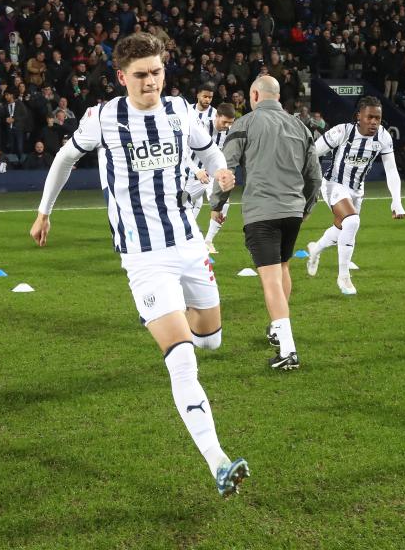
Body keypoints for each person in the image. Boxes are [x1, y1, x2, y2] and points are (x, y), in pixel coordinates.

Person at [29, 31, 249, 497]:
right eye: (141, 75)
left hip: (189, 246)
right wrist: (45, 210)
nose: (151, 82)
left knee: (210, 341)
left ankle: (161, 314)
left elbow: (208, 149)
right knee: (184, 358)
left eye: (157, 72)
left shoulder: (181, 110)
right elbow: (67, 157)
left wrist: (219, 175)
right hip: (144, 257)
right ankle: (219, 461)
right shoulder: (104, 117)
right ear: (121, 77)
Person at [211, 76, 322, 370]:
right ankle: (277, 328)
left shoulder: (245, 124)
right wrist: (305, 208)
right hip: (293, 212)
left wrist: (217, 205)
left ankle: (288, 350)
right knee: (283, 266)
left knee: (270, 276)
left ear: (256, 95)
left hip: (263, 212)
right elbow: (315, 177)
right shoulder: (300, 126)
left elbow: (226, 168)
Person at [304, 96, 405, 296]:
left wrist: (397, 201)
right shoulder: (343, 131)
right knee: (352, 222)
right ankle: (343, 277)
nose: (374, 122)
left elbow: (392, 170)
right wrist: (307, 183)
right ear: (359, 116)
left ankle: (315, 249)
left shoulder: (383, 137)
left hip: (357, 191)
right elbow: (313, 153)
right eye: (370, 117)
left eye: (378, 118)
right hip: (333, 184)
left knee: (341, 229)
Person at [182, 102, 235, 252]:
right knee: (182, 208)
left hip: (213, 175)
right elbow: (184, 152)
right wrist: (196, 170)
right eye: (225, 121)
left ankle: (208, 241)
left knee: (223, 203)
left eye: (230, 123)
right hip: (194, 174)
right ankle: (183, 240)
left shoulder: (229, 133)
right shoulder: (200, 127)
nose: (227, 126)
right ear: (216, 116)